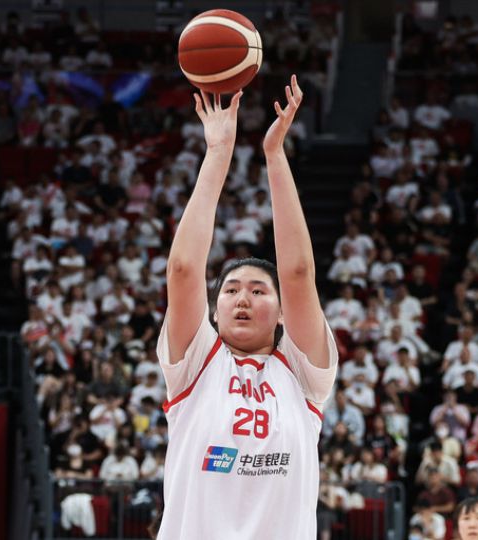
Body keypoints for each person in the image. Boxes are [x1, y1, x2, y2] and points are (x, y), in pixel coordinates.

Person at [156, 76, 338, 539]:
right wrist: (218, 152)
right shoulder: (196, 362)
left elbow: (298, 272)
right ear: (214, 312)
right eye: (232, 290)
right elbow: (183, 269)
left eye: (258, 291)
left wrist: (275, 155)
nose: (242, 298)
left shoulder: (303, 373)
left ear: (282, 312)